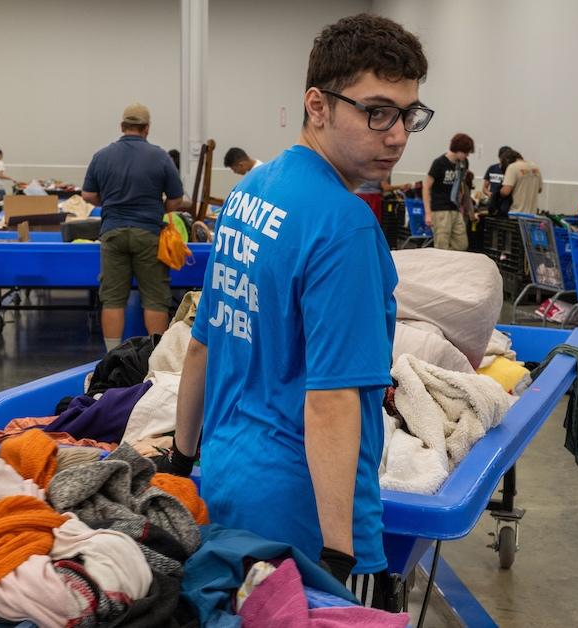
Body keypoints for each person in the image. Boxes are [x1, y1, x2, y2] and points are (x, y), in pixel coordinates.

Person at [166, 13, 431, 584]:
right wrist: (337, 554)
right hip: (301, 510)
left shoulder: (248, 192)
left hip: (227, 479)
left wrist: (183, 463)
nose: (398, 135)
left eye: (409, 114)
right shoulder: (344, 227)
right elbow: (332, 400)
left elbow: (202, 346)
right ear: (318, 106)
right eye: (377, 111)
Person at [81, 103, 185, 348]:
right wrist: (159, 207)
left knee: (113, 298)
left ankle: (112, 354)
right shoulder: (160, 156)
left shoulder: (102, 155)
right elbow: (176, 199)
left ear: (122, 127)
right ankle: (155, 356)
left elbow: (87, 195)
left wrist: (107, 201)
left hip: (113, 232)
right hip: (148, 234)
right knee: (155, 299)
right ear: (146, 129)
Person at [424, 133, 472, 250]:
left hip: (454, 208)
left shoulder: (463, 163)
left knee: (462, 243)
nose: (467, 155)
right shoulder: (439, 163)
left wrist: (466, 207)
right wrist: (428, 213)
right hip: (440, 209)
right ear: (458, 150)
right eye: (465, 152)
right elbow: (426, 187)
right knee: (441, 245)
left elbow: (462, 184)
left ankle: (451, 264)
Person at [482, 145, 513, 215]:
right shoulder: (492, 168)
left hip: (505, 204)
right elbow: (484, 188)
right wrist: (489, 193)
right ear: (499, 157)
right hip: (492, 203)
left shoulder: (511, 170)